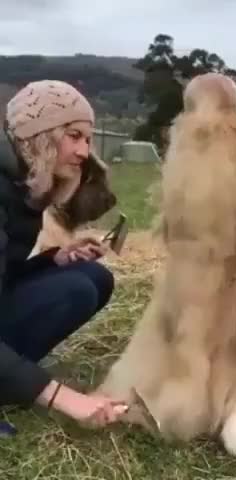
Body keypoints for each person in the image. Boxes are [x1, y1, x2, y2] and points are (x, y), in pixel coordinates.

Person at [0, 80, 127, 432]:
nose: (85, 152)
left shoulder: (19, 182)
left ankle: (14, 374)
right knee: (75, 290)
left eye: (87, 139)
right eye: (74, 136)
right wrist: (67, 400)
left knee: (93, 278)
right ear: (40, 134)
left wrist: (52, 259)